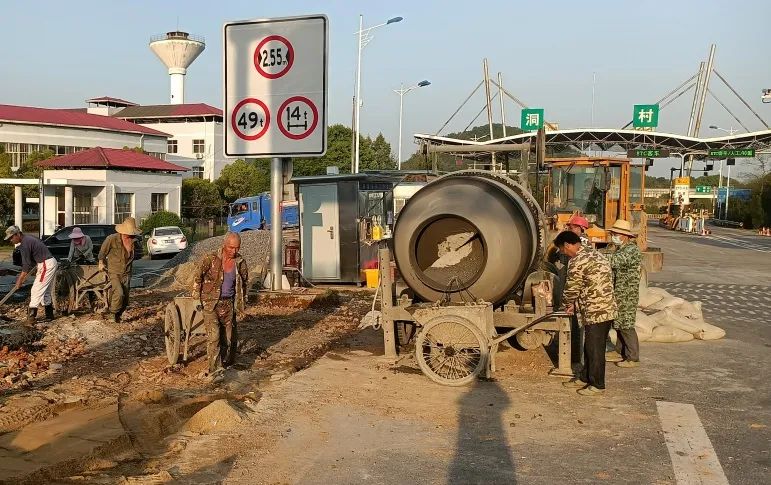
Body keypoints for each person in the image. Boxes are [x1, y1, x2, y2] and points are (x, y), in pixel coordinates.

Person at [555, 230, 617, 396]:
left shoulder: (578, 261)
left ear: (568, 245)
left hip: (597, 310)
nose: (563, 254)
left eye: (562, 250)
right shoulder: (593, 253)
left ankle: (597, 384)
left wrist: (566, 304)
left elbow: (571, 288)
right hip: (605, 308)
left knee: (595, 348)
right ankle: (584, 377)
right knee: (589, 345)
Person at [192, 232, 249, 380]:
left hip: (228, 303)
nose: (234, 251)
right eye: (231, 247)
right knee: (215, 336)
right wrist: (196, 298)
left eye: (237, 248)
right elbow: (198, 276)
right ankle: (214, 369)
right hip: (210, 303)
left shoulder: (240, 262)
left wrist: (242, 302)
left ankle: (224, 363)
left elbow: (244, 282)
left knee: (228, 338)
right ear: (224, 245)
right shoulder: (210, 258)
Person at [4, 225, 58, 325]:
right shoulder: (28, 239)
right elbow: (31, 261)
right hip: (45, 263)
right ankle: (49, 315)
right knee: (44, 290)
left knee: (36, 290)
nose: (11, 240)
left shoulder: (25, 243)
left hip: (46, 264)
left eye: (12, 237)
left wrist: (20, 280)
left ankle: (31, 318)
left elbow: (26, 265)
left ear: (18, 234)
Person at [606, 219, 642, 368]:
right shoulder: (622, 248)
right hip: (620, 291)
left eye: (616, 234)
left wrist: (595, 256)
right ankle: (620, 351)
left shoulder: (631, 250)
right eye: (613, 233)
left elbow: (614, 261)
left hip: (627, 293)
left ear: (625, 236)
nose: (613, 236)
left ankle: (633, 357)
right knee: (618, 322)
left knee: (626, 324)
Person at [98, 217, 140, 323]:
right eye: (128, 233)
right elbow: (102, 252)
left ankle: (118, 314)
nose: (129, 235)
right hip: (114, 271)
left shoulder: (134, 241)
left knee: (125, 298)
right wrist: (101, 262)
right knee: (119, 293)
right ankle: (112, 314)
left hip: (127, 272)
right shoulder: (112, 239)